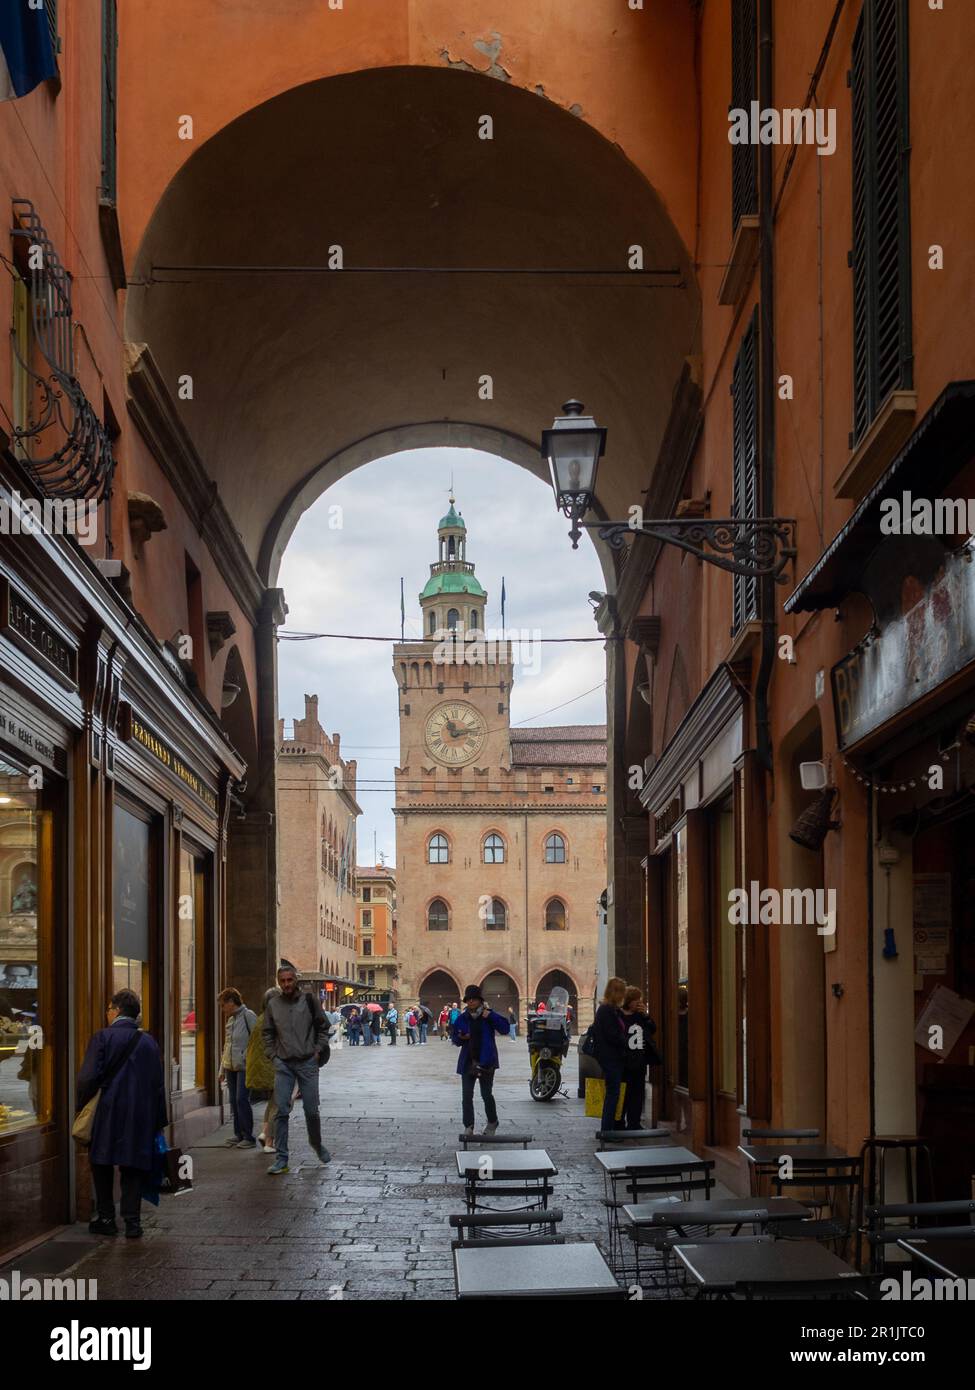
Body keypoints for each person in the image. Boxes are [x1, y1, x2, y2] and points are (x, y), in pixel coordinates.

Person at [76, 989, 167, 1239]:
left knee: (102, 1162)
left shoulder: (102, 1038)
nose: (107, 1013)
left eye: (108, 1009)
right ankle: (132, 1222)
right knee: (133, 1165)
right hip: (140, 1114)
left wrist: (80, 1106)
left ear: (116, 1011)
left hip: (107, 1111)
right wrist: (159, 1120)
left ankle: (106, 1217)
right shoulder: (149, 1042)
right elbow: (158, 1084)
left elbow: (87, 1078)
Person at [262, 964, 331, 1174]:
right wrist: (273, 1056)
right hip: (283, 1064)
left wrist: (317, 1049)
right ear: (278, 982)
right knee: (281, 1110)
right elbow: (267, 1033)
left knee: (311, 1110)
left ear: (296, 980)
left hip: (307, 1062)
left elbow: (323, 1027)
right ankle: (282, 1158)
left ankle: (316, 1144)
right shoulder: (273, 1005)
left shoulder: (310, 1001)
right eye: (282, 981)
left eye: (289, 980)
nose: (286, 984)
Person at [452, 984, 511, 1137]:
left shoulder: (488, 1015)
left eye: (474, 999)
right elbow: (455, 1039)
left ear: (479, 1000)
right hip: (468, 1062)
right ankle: (469, 1126)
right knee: (466, 1095)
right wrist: (461, 1037)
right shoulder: (462, 1018)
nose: (471, 1002)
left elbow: (505, 1028)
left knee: (486, 1094)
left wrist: (490, 1015)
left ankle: (492, 1121)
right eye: (468, 1000)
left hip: (486, 1061)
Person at [217, 987, 257, 1148]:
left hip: (244, 1066)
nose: (222, 1009)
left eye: (223, 1005)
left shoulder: (248, 1016)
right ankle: (238, 1134)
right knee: (233, 1100)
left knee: (242, 1099)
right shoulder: (231, 1020)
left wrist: (246, 1056)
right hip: (230, 1066)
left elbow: (256, 1040)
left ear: (231, 1002)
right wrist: (222, 1069)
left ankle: (249, 1136)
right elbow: (227, 1045)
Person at [620, 986, 659, 1131]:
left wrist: (646, 1015)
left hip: (639, 1061)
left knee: (637, 1094)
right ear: (628, 1001)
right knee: (623, 1093)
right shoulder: (618, 1016)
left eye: (639, 1000)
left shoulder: (640, 1016)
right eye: (636, 1000)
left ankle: (634, 1122)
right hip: (623, 1062)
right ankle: (619, 1122)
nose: (638, 1002)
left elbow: (653, 1029)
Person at [592, 976, 627, 1133]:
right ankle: (607, 1131)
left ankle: (610, 1128)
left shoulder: (611, 1010)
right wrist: (624, 1041)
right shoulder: (606, 1010)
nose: (624, 996)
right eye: (622, 993)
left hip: (611, 1057)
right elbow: (612, 1035)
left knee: (613, 1092)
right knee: (613, 1093)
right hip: (610, 1058)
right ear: (616, 993)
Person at [245, 988, 277, 1151]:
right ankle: (269, 1140)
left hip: (261, 1068)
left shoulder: (261, 1019)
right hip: (275, 1068)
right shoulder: (276, 1020)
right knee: (279, 1105)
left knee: (273, 1104)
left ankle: (265, 1133)